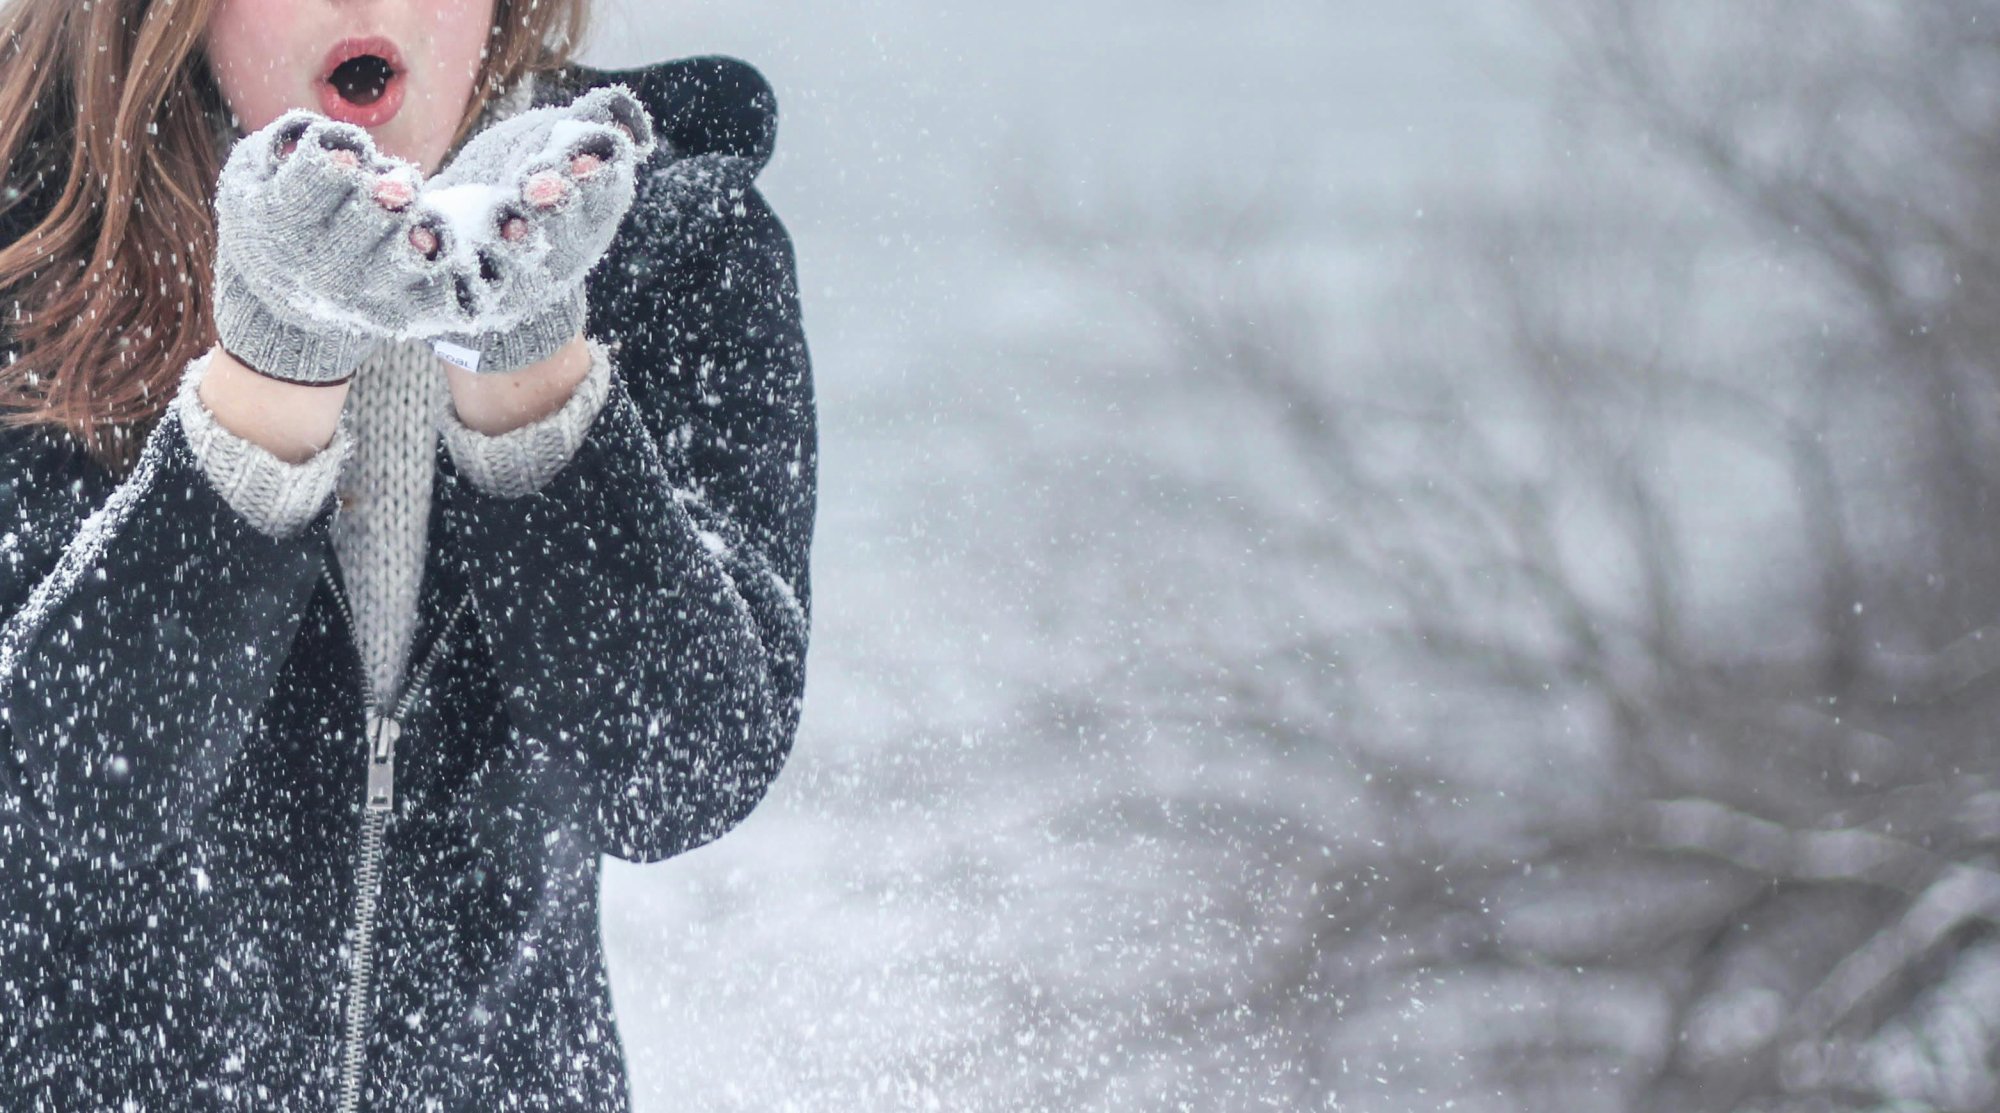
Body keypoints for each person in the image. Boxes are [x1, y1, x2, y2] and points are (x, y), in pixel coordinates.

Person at [0, 0, 817, 1108]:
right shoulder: (33, 251)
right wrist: (272, 374)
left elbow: (680, 776)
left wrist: (530, 369)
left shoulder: (670, 241)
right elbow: (74, 785)